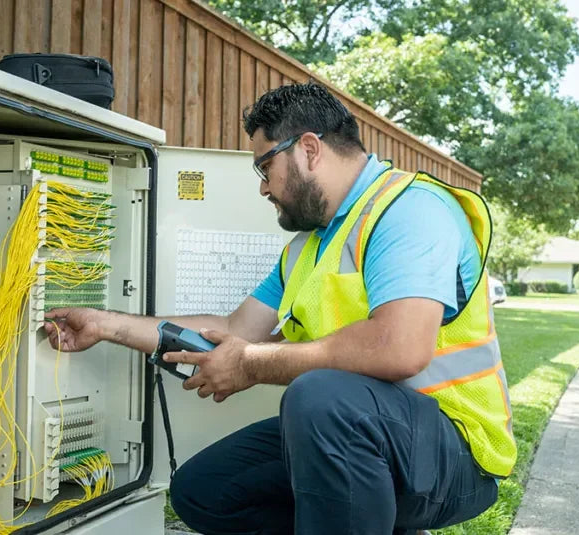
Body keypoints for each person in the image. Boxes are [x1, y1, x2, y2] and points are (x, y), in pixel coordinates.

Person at [43, 82, 516, 534]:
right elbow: (234, 329)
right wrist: (106, 325)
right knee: (203, 490)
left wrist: (251, 364)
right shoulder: (307, 248)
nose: (263, 188)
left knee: (318, 397)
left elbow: (400, 348)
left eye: (265, 167)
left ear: (308, 149)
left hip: (456, 449)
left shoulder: (409, 211)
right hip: (368, 432)